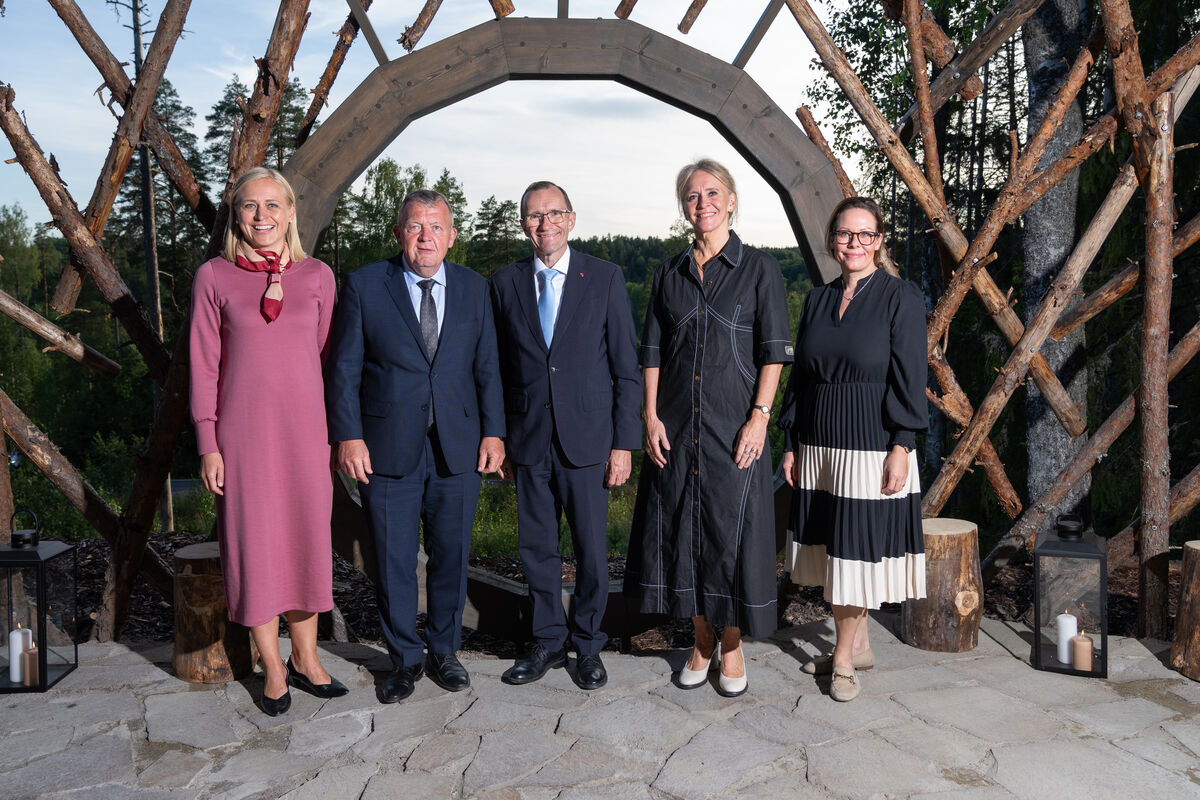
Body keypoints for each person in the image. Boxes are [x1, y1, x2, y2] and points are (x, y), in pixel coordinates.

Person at [325, 189, 505, 703]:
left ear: (452, 235)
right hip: (386, 447)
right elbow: (345, 368)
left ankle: (444, 652)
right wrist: (349, 434)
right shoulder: (364, 284)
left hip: (459, 447)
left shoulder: (475, 288)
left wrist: (495, 432)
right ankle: (403, 659)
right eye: (415, 226)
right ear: (399, 232)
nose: (425, 236)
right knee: (394, 560)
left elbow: (488, 366)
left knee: (451, 556)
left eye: (436, 227)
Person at [624, 159, 792, 697]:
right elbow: (650, 352)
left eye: (712, 193)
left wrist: (760, 419)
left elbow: (772, 353)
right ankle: (700, 639)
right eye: (693, 196)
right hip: (675, 425)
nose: (703, 204)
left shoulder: (759, 269)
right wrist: (649, 416)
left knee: (732, 537)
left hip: (735, 424)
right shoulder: (667, 272)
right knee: (683, 535)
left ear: (732, 200)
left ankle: (734, 644)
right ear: (684, 207)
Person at [190, 166, 346, 716]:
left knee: (304, 540)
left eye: (272, 205)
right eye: (250, 206)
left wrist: (339, 434)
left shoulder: (318, 276)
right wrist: (209, 442)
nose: (262, 217)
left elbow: (329, 363)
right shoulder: (214, 276)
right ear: (236, 216)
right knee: (255, 546)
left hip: (307, 435)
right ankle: (272, 667)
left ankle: (307, 658)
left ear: (290, 212)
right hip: (242, 437)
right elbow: (204, 366)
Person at [489, 181, 641, 690]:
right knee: (536, 550)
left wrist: (623, 443)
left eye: (554, 213)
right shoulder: (505, 283)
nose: (544, 223)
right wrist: (498, 437)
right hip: (528, 440)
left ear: (572, 219)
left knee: (591, 551)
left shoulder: (603, 277)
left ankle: (589, 645)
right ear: (523, 224)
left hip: (589, 442)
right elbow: (495, 369)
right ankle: (548, 641)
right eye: (534, 216)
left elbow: (626, 368)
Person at [780, 196, 928, 702]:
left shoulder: (900, 297)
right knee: (831, 554)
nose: (855, 244)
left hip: (870, 446)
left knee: (854, 559)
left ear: (880, 241)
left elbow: (910, 377)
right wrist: (792, 441)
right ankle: (858, 644)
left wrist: (902, 445)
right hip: (819, 444)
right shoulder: (818, 301)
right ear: (832, 241)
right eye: (846, 234)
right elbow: (800, 378)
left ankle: (842, 660)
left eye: (866, 235)